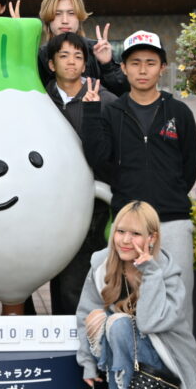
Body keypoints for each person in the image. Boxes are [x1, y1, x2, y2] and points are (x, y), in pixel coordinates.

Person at [81, 30, 196, 321]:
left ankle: (177, 353)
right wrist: (91, 112)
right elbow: (99, 160)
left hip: (172, 220)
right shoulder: (112, 112)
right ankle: (132, 351)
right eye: (135, 63)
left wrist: (170, 193)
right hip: (129, 225)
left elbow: (190, 166)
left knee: (178, 298)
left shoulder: (179, 112)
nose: (142, 70)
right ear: (123, 68)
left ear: (163, 68)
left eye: (150, 62)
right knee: (128, 299)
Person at [76, 201, 196, 389]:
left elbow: (149, 323)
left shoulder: (166, 271)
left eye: (135, 234)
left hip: (163, 354)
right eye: (120, 231)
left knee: (120, 323)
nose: (125, 240)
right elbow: (85, 313)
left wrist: (151, 273)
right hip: (126, 346)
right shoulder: (101, 264)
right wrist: (87, 362)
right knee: (102, 318)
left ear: (151, 238)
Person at [44, 32, 116, 315]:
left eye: (77, 56)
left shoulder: (103, 100)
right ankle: (63, 332)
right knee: (58, 275)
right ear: (51, 64)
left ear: (85, 64)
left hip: (92, 201)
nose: (71, 62)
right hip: (50, 200)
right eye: (63, 56)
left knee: (81, 277)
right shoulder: (40, 101)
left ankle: (86, 333)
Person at [35, 0, 127, 96]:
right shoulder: (39, 56)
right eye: (57, 13)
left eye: (71, 13)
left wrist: (107, 65)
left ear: (79, 17)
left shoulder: (97, 50)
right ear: (48, 19)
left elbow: (122, 94)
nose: (65, 20)